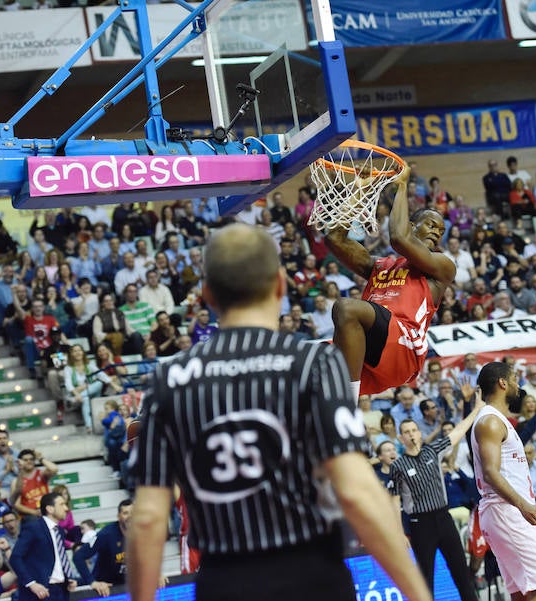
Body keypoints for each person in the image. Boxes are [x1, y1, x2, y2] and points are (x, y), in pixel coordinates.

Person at [127, 224, 431, 601]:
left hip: (226, 582)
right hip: (312, 577)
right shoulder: (314, 365)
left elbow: (147, 519)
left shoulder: (170, 380)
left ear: (207, 294)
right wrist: (418, 594)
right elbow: (358, 492)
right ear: (280, 286)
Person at [326, 166, 456, 400]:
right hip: (369, 353)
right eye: (431, 225)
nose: (437, 233)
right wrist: (360, 189)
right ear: (412, 225)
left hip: (405, 348)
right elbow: (335, 238)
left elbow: (399, 238)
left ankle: (348, 404)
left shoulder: (442, 265)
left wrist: (402, 185)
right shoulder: (380, 265)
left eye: (441, 230)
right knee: (306, 359)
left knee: (346, 307)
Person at [470, 361, 536, 601]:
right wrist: (523, 505)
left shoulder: (496, 420)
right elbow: (491, 473)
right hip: (507, 511)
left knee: (524, 594)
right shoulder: (490, 421)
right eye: (514, 380)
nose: (517, 386)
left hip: (503, 512)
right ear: (502, 383)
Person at [388, 395, 484, 601]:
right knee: (425, 581)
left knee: (462, 575)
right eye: (406, 432)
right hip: (420, 525)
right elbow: (395, 501)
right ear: (401, 438)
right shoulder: (398, 466)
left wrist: (476, 409)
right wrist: (399, 532)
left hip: (443, 518)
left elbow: (457, 432)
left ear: (419, 433)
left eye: (414, 430)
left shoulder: (432, 450)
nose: (411, 434)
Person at [9, 492, 78, 601]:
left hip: (62, 589)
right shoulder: (33, 527)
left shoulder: (59, 530)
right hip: (40, 591)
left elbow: (58, 556)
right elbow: (15, 557)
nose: (66, 508)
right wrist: (31, 583)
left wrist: (68, 577)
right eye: (62, 504)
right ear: (50, 509)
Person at [10, 449, 58, 519]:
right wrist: (35, 512)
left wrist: (40, 458)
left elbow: (54, 469)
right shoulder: (16, 481)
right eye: (25, 460)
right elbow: (16, 505)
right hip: (30, 517)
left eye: (31, 459)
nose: (29, 461)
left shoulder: (41, 474)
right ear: (20, 462)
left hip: (47, 513)